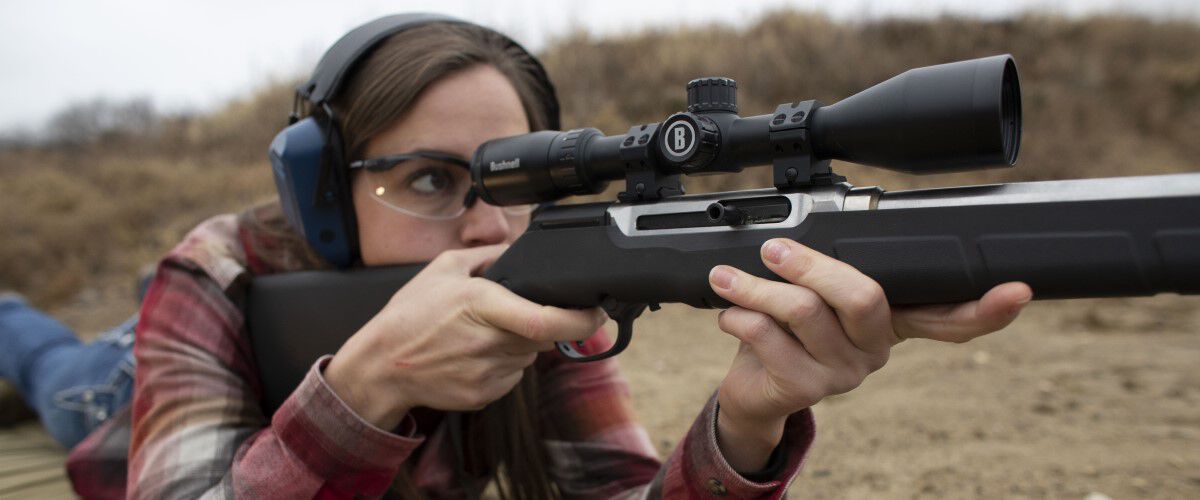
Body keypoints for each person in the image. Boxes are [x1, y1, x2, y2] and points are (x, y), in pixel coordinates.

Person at [27, 14, 1032, 499]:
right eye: (427, 180)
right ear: (323, 197)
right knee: (49, 367)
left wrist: (748, 421)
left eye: (510, 185)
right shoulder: (222, 271)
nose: (481, 227)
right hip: (129, 381)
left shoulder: (546, 284)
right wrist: (363, 389)